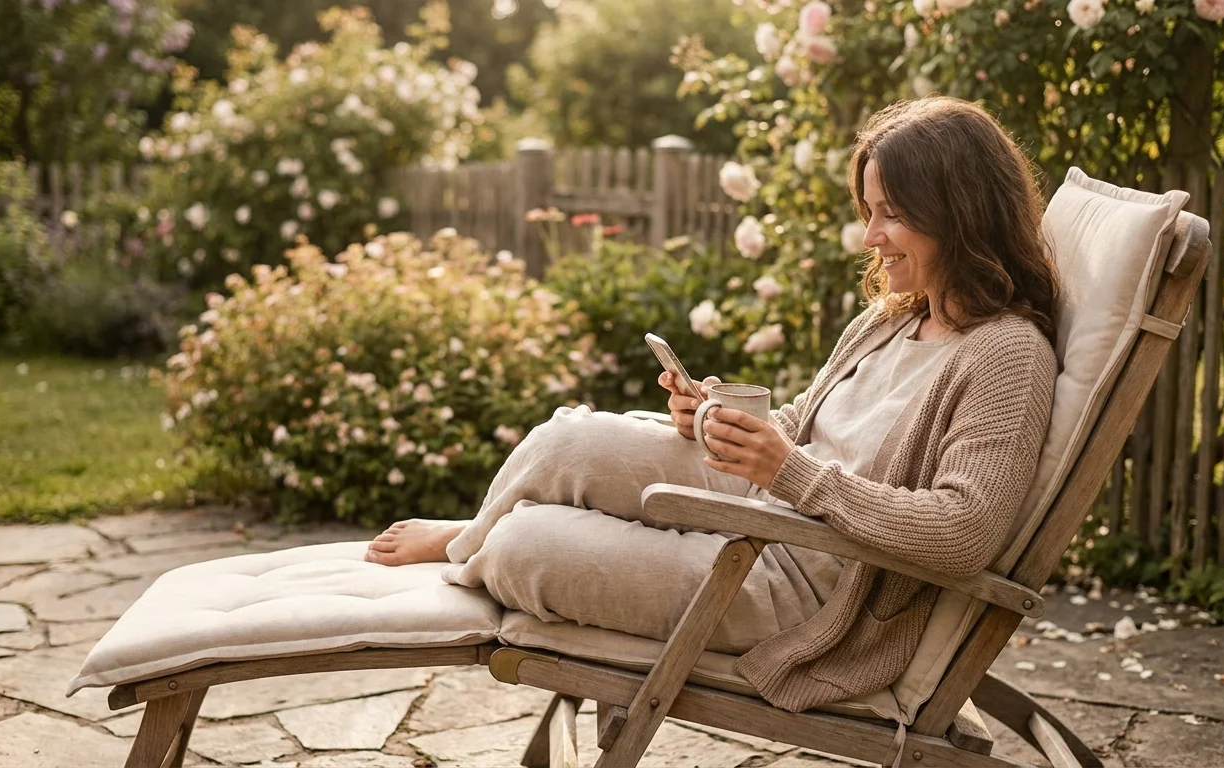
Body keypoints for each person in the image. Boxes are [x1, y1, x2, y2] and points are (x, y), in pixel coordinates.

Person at [365, 96, 1059, 713]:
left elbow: (966, 530)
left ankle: (484, 540)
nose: (872, 236)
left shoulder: (1006, 353)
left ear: (960, 216)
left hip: (807, 590)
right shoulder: (892, 318)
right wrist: (716, 417)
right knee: (563, 438)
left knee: (527, 547)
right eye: (870, 211)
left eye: (894, 215)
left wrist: (790, 473)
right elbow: (801, 427)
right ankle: (466, 539)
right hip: (769, 510)